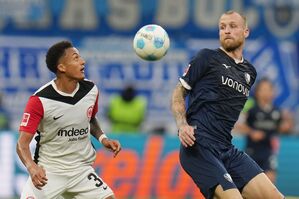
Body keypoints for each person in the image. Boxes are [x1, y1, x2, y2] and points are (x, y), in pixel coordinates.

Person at [170, 10, 285, 199]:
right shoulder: (206, 57)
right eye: (222, 27)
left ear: (246, 31)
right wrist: (182, 125)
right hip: (199, 146)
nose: (226, 31)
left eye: (233, 26)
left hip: (226, 148)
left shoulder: (250, 72)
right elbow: (178, 92)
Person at [16, 40, 121, 199]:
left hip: (81, 170)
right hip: (50, 172)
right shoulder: (39, 100)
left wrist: (103, 138)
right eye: (76, 58)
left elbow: (90, 118)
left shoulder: (91, 90)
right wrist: (32, 167)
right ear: (61, 67)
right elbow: (22, 144)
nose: (82, 61)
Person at [234, 78, 293, 184]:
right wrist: (252, 132)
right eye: (263, 89)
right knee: (250, 184)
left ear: (273, 92)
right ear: (257, 92)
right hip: (252, 151)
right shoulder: (251, 109)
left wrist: (286, 125)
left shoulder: (277, 111)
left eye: (268, 89)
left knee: (270, 181)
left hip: (268, 152)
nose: (266, 92)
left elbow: (281, 127)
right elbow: (239, 125)